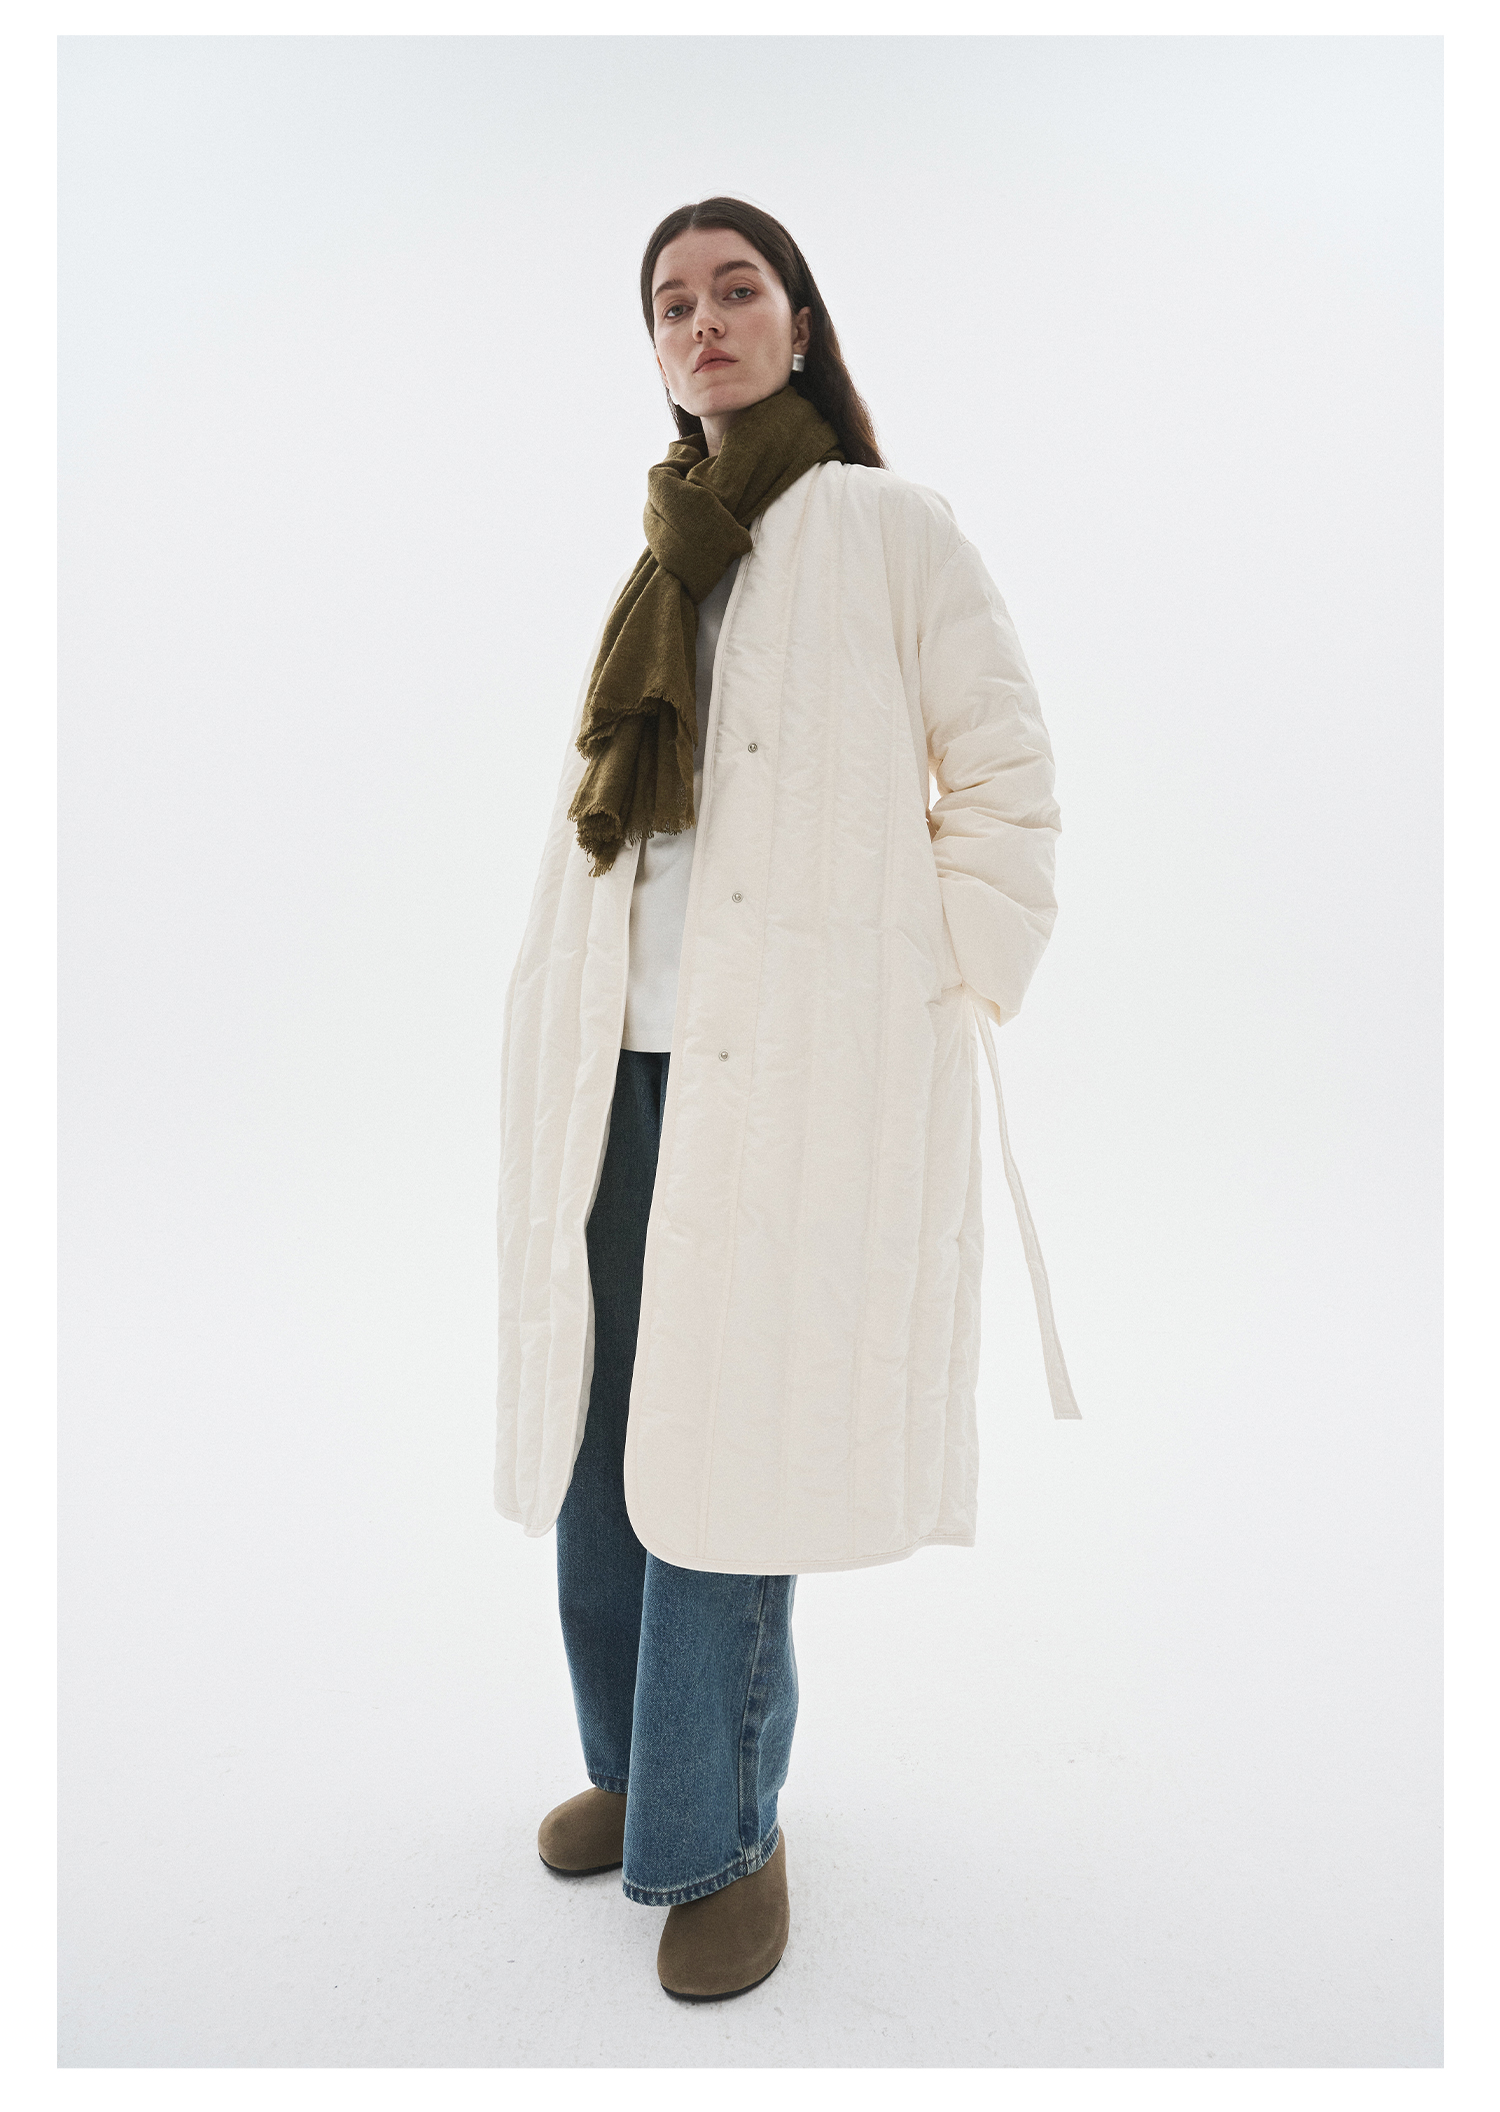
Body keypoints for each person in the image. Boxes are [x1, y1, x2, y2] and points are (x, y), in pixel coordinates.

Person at [494, 195, 1078, 2004]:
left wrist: (933, 983)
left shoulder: (891, 529)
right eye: (671, 303)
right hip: (620, 1064)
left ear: (800, 323)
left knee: (731, 1451)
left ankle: (721, 1829)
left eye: (736, 289)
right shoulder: (662, 557)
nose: (704, 321)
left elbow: (1007, 778)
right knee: (607, 1430)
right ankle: (631, 1764)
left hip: (800, 1078)